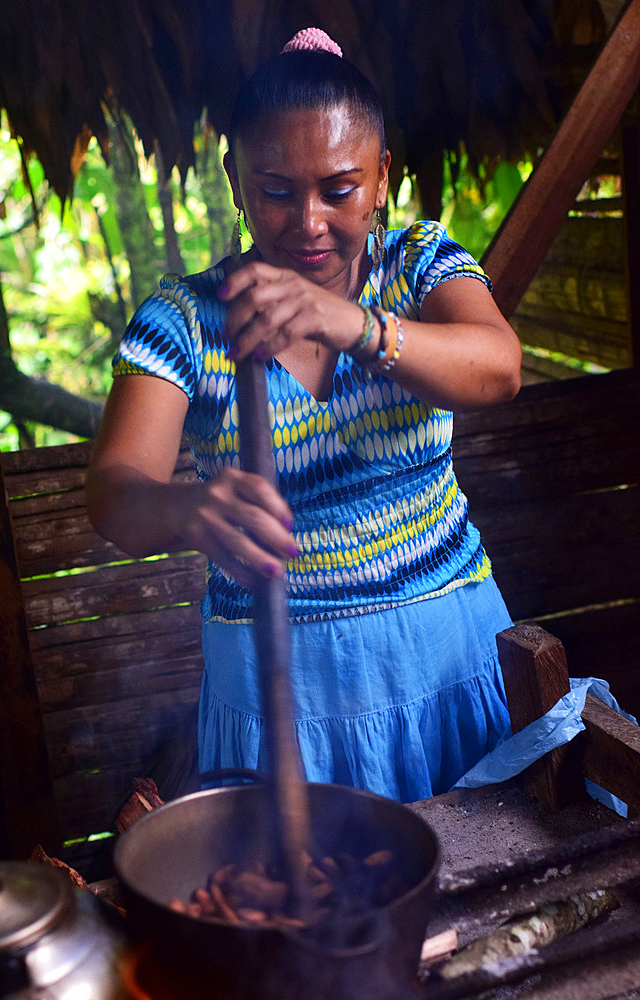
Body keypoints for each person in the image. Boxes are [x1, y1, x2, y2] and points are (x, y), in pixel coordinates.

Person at [86, 27, 523, 804]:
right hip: (280, 701)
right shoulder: (183, 320)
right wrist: (188, 506)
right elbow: (116, 492)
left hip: (450, 662)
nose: (308, 221)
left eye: (339, 189)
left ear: (382, 177)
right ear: (234, 182)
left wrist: (348, 322)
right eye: (276, 191)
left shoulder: (417, 264)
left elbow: (497, 367)